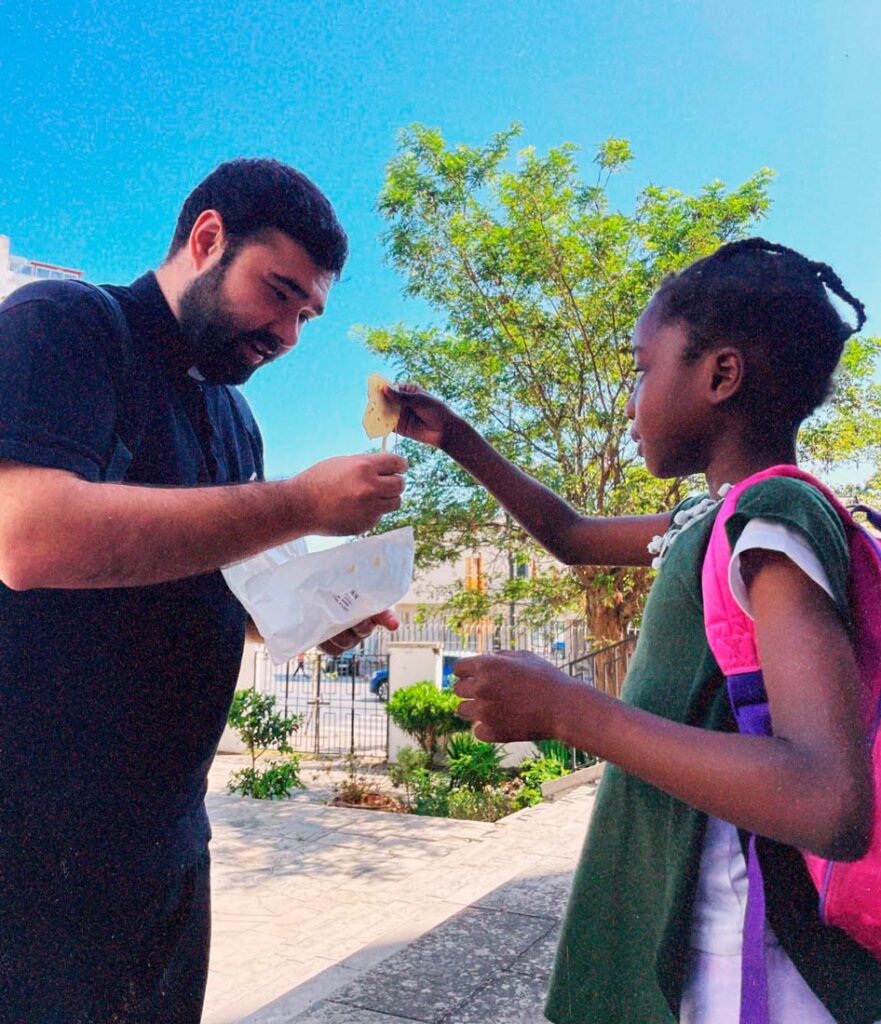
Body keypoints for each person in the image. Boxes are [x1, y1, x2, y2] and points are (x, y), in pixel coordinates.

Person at [390, 239, 881, 1023]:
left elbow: (829, 801)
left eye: (642, 369)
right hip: (703, 950)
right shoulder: (709, 516)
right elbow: (572, 536)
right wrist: (458, 441)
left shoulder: (774, 521)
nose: (629, 399)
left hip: (751, 970)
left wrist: (567, 712)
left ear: (719, 375)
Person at [0, 158, 407, 1023]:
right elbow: (26, 536)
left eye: (307, 314)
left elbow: (215, 580)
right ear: (208, 238)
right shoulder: (64, 324)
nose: (289, 333)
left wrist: (310, 612)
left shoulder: (234, 416)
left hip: (173, 845)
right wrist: (299, 502)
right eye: (278, 292)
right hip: (33, 857)